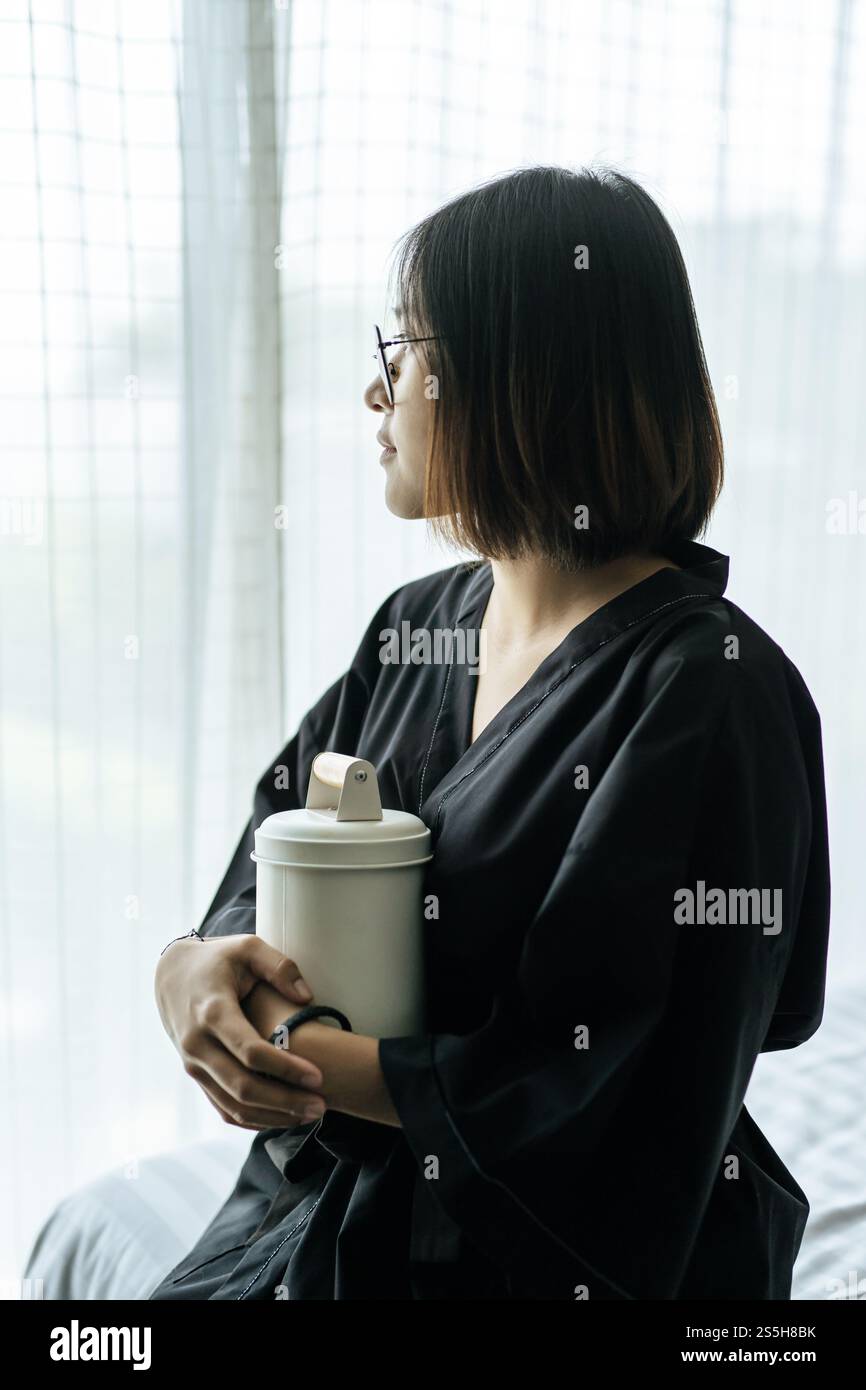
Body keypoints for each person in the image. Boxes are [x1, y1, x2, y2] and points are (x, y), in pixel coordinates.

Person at [148, 165, 830, 1301]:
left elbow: (610, 1079)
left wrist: (299, 1061)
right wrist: (189, 971)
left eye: (401, 354)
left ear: (514, 376)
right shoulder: (418, 627)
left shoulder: (709, 693)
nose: (378, 397)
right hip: (318, 1204)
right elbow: (276, 844)